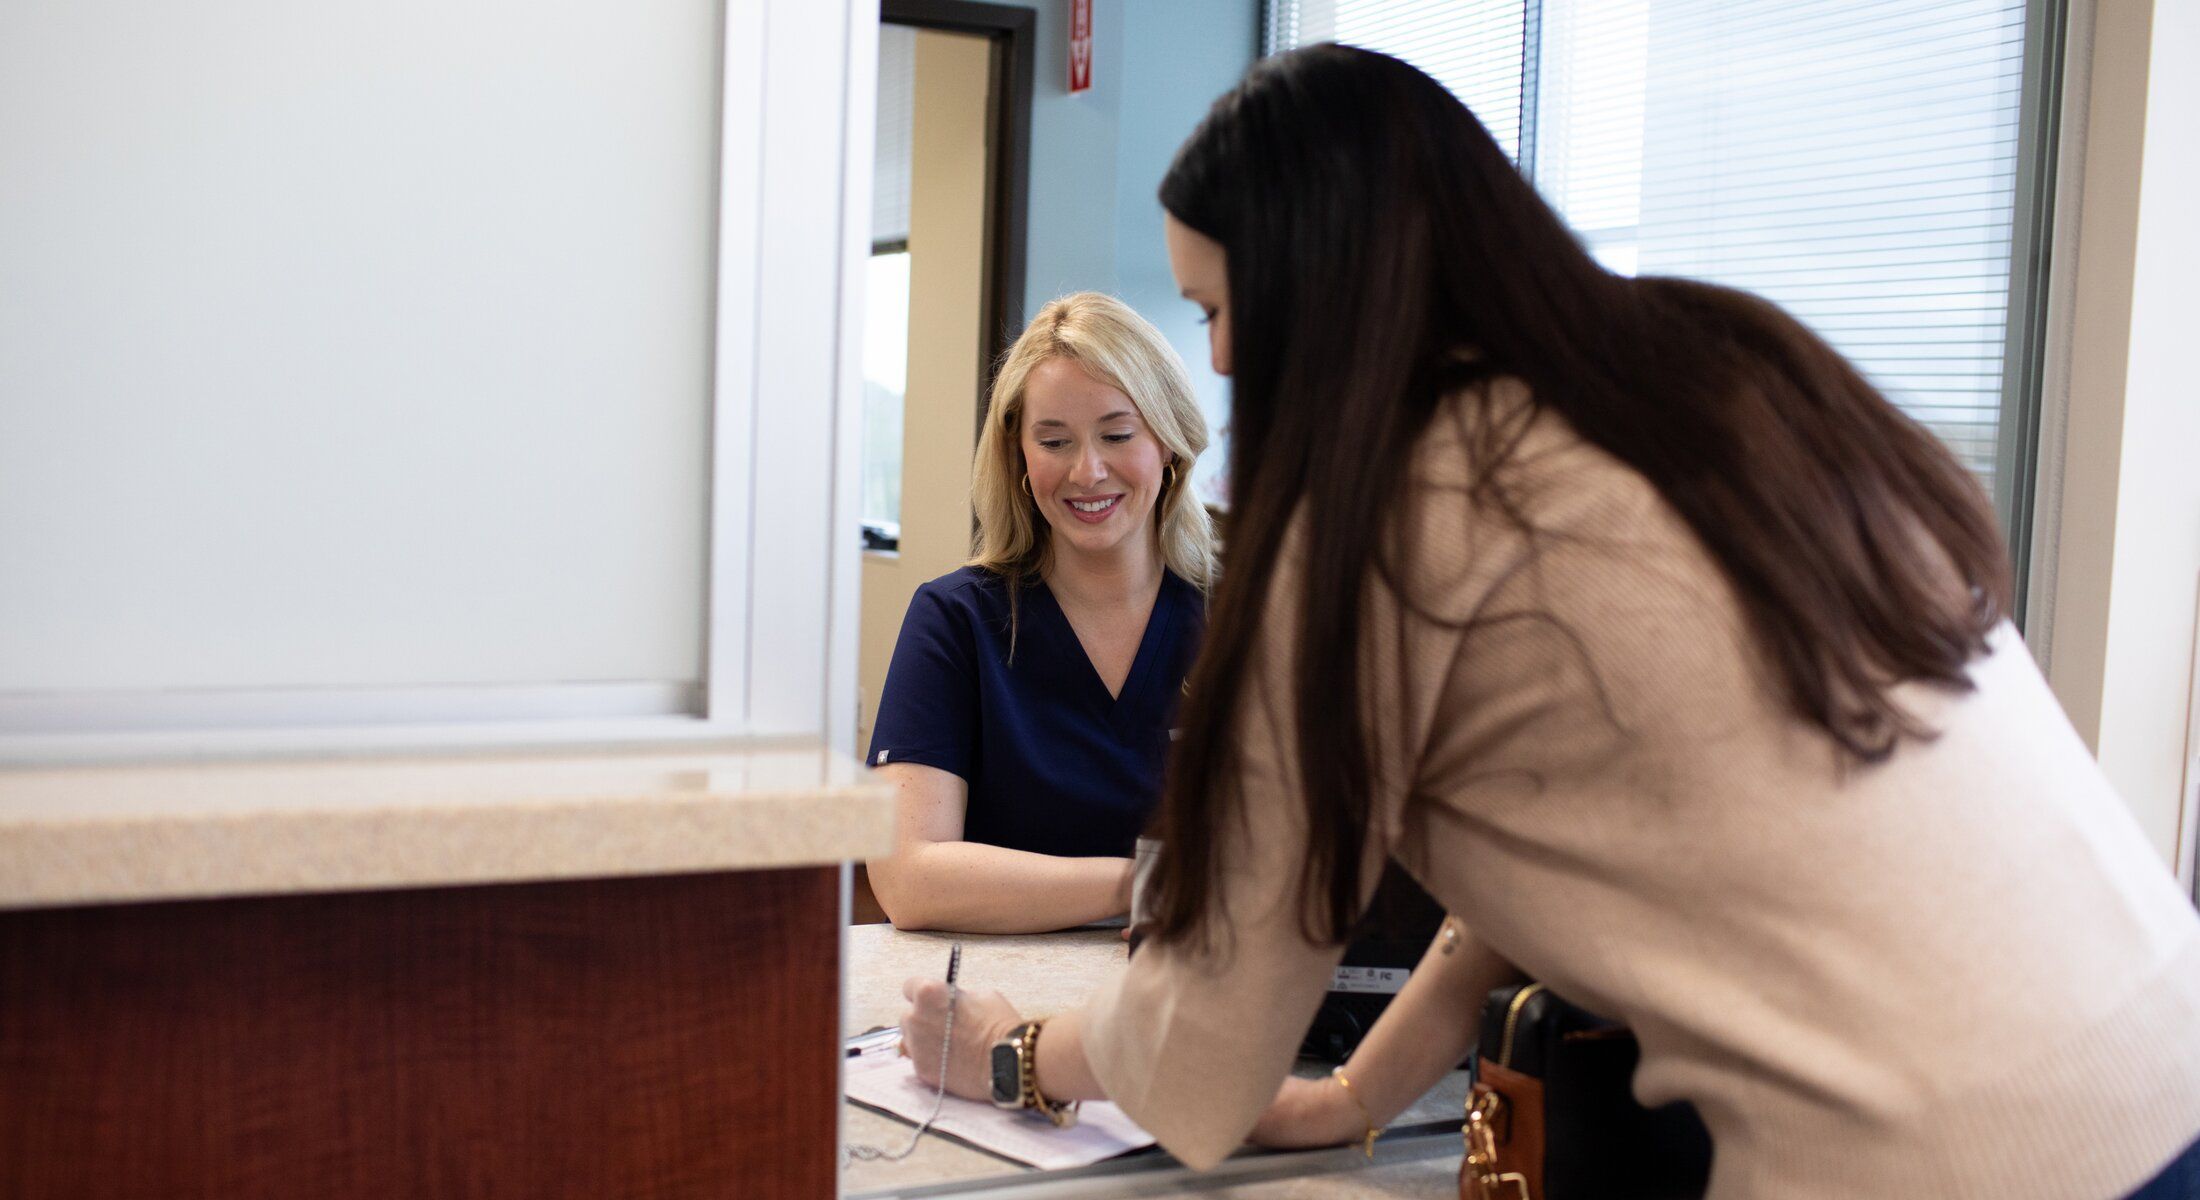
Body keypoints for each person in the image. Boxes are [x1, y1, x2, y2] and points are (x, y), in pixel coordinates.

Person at [898, 45, 2200, 1198]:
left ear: (1320, 295)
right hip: (2162, 1055)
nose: (1224, 362)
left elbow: (1205, 1037)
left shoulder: (1377, 530)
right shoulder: (1710, 383)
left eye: (1220, 311)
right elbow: (1557, 834)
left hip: (1935, 1154)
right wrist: (1360, 1099)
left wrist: (1014, 1055)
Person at [863, 292, 1212, 934]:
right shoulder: (955, 621)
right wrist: (1145, 884)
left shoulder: (1241, 624)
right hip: (997, 999)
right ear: (1019, 457)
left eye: (1116, 435)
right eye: (1054, 441)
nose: (1088, 470)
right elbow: (905, 878)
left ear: (1168, 442)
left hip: (1187, 1001)